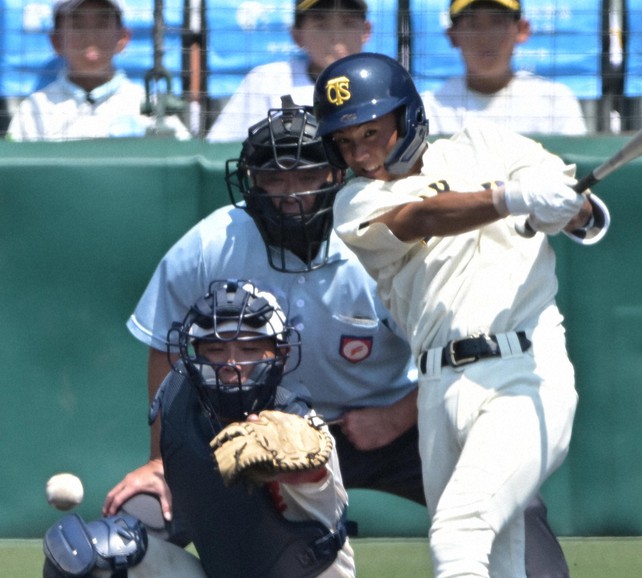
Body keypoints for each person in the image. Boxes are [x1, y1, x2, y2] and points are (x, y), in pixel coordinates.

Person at [103, 96, 574, 577]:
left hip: (389, 426)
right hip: (256, 429)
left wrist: (393, 418)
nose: (290, 193)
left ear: (335, 175)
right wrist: (161, 459)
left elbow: (442, 347)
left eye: (307, 176)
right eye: (274, 178)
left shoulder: (370, 241)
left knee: (503, 502)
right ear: (249, 180)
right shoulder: (210, 243)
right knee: (137, 516)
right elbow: (166, 344)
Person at [313, 52, 610, 577]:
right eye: (346, 142)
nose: (361, 154)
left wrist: (568, 209)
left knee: (457, 532)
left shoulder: (489, 144)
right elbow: (421, 215)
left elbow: (583, 215)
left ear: (407, 117)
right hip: (437, 390)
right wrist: (511, 197)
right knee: (500, 562)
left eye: (371, 133)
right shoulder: (356, 202)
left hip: (523, 370)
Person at [45, 279, 354, 577]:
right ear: (195, 355)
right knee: (87, 551)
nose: (231, 364)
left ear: (281, 355)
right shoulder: (179, 400)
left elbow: (313, 480)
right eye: (216, 350)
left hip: (306, 571)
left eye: (249, 350)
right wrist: (161, 467)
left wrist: (280, 467)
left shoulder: (300, 425)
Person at [6, 0, 189, 142]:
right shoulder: (33, 110)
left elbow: (181, 165)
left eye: (101, 24)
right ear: (56, 41)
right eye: (77, 25)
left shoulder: (152, 105)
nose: (90, 36)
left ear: (123, 38)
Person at [205, 0, 371, 142]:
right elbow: (222, 148)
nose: (336, 36)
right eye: (322, 25)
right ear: (296, 35)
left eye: (347, 23)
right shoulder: (267, 81)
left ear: (366, 31)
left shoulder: (385, 82)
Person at [420, 0, 587, 136]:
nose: (485, 37)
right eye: (472, 24)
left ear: (522, 30)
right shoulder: (430, 109)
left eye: (497, 22)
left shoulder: (555, 102)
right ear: (453, 36)